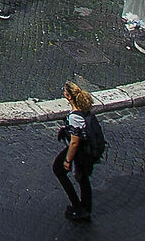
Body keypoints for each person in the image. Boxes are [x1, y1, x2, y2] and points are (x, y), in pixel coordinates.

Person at [55, 80, 104, 223]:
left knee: (59, 169)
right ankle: (85, 208)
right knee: (83, 178)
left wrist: (68, 161)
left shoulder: (74, 116)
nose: (63, 92)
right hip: (86, 148)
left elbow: (75, 142)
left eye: (65, 91)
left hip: (81, 151)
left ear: (69, 96)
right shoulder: (83, 109)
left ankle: (79, 207)